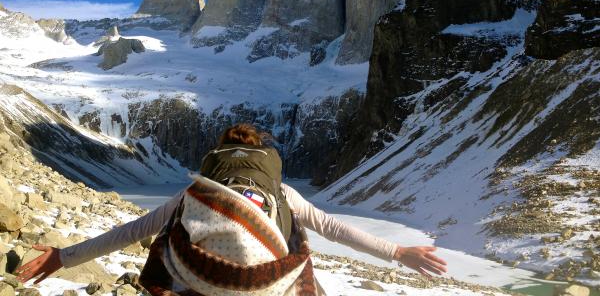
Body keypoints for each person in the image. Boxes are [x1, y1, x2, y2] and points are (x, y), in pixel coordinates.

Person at [16, 124, 447, 292]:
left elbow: (129, 231)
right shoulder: (283, 194)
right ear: (262, 155)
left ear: (218, 157)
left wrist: (63, 257)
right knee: (301, 240)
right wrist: (398, 252)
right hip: (266, 286)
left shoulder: (196, 194)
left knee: (166, 237)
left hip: (201, 285)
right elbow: (333, 228)